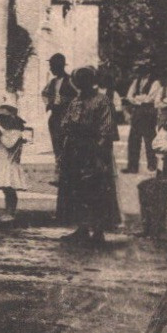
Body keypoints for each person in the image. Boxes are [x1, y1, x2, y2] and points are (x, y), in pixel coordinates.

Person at [55, 66, 122, 244]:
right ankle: (82, 227)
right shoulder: (75, 102)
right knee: (77, 190)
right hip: (75, 150)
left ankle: (99, 231)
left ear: (91, 82)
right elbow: (65, 123)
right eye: (79, 82)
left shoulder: (103, 101)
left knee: (97, 190)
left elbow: (107, 130)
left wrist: (98, 153)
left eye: (85, 81)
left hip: (95, 151)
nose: (81, 86)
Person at [137, 114, 167, 239]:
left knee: (155, 188)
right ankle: (151, 228)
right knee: (145, 187)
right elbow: (156, 144)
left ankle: (156, 228)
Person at [0, 104, 32, 220]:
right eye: (0, 119)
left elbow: (9, 145)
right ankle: (7, 211)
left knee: (10, 190)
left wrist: (0, 135)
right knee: (6, 190)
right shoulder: (6, 132)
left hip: (10, 164)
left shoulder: (16, 133)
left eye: (3, 119)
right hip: (2, 164)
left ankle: (11, 212)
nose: (1, 122)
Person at [125, 64, 166, 174]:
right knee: (133, 139)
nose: (140, 73)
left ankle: (152, 165)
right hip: (138, 112)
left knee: (149, 139)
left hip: (148, 113)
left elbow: (150, 99)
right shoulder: (136, 81)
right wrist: (139, 99)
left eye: (142, 70)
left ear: (148, 72)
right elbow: (129, 95)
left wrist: (137, 98)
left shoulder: (155, 82)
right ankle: (132, 167)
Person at [42, 54, 77, 154]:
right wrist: (49, 102)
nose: (50, 68)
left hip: (67, 117)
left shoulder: (71, 80)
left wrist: (65, 101)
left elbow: (78, 97)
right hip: (55, 116)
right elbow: (44, 93)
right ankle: (59, 164)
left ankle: (66, 166)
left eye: (52, 66)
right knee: (56, 144)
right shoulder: (53, 82)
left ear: (59, 66)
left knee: (67, 145)